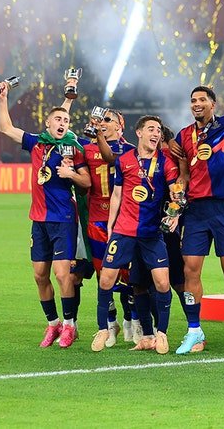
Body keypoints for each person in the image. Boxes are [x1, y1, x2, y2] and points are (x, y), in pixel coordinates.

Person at [0, 81, 90, 348]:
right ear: (47, 124)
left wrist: (71, 174)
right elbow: (6, 128)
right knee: (39, 275)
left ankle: (70, 325)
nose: (62, 123)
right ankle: (53, 324)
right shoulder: (37, 144)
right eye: (57, 119)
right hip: (38, 220)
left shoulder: (74, 147)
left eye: (66, 120)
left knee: (63, 275)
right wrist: (3, 99)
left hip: (63, 220)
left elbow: (87, 182)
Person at [171, 86, 224, 356]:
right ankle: (194, 330)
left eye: (202, 100)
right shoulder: (184, 135)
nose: (196, 104)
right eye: (193, 100)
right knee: (190, 269)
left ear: (213, 104)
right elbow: (184, 173)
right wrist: (178, 188)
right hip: (195, 211)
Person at [92, 116, 179, 354]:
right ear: (139, 132)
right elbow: (117, 195)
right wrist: (111, 225)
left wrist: (175, 214)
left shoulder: (166, 163)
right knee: (106, 279)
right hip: (124, 231)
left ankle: (161, 334)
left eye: (159, 130)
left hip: (152, 233)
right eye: (151, 129)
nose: (156, 133)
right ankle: (103, 329)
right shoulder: (124, 160)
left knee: (162, 282)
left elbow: (175, 194)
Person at [78, 108, 137, 345]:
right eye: (100, 120)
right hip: (96, 219)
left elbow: (112, 158)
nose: (102, 123)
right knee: (105, 275)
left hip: (123, 219)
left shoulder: (131, 150)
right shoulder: (86, 149)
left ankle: (131, 320)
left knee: (128, 275)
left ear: (119, 126)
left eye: (107, 120)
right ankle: (110, 323)